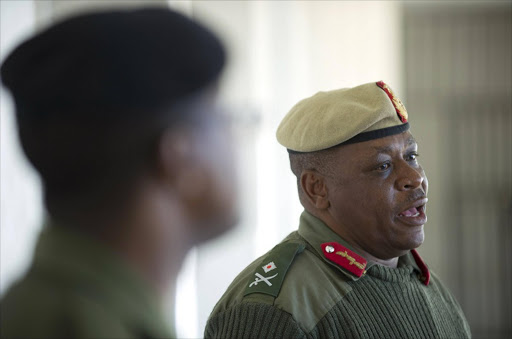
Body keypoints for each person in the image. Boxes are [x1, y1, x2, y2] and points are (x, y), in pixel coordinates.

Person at [0, 7, 237, 339]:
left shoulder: (44, 310)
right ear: (179, 156)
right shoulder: (85, 326)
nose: (236, 137)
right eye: (224, 117)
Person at [204, 81, 471, 338]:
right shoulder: (273, 312)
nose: (414, 177)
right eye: (382, 166)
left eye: (411, 156)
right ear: (317, 189)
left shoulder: (425, 284)